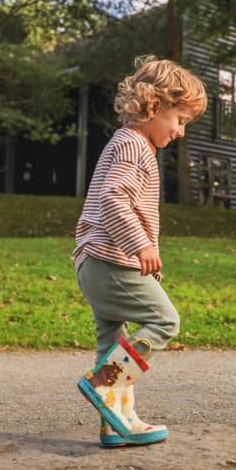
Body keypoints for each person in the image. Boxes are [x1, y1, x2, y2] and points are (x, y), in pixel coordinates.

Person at [74, 56, 207, 447]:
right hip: (112, 260)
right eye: (179, 120)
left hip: (93, 263)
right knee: (165, 320)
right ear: (153, 106)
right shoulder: (135, 146)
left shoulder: (126, 142)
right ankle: (107, 386)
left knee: (111, 344)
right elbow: (114, 200)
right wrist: (141, 245)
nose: (181, 131)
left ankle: (117, 423)